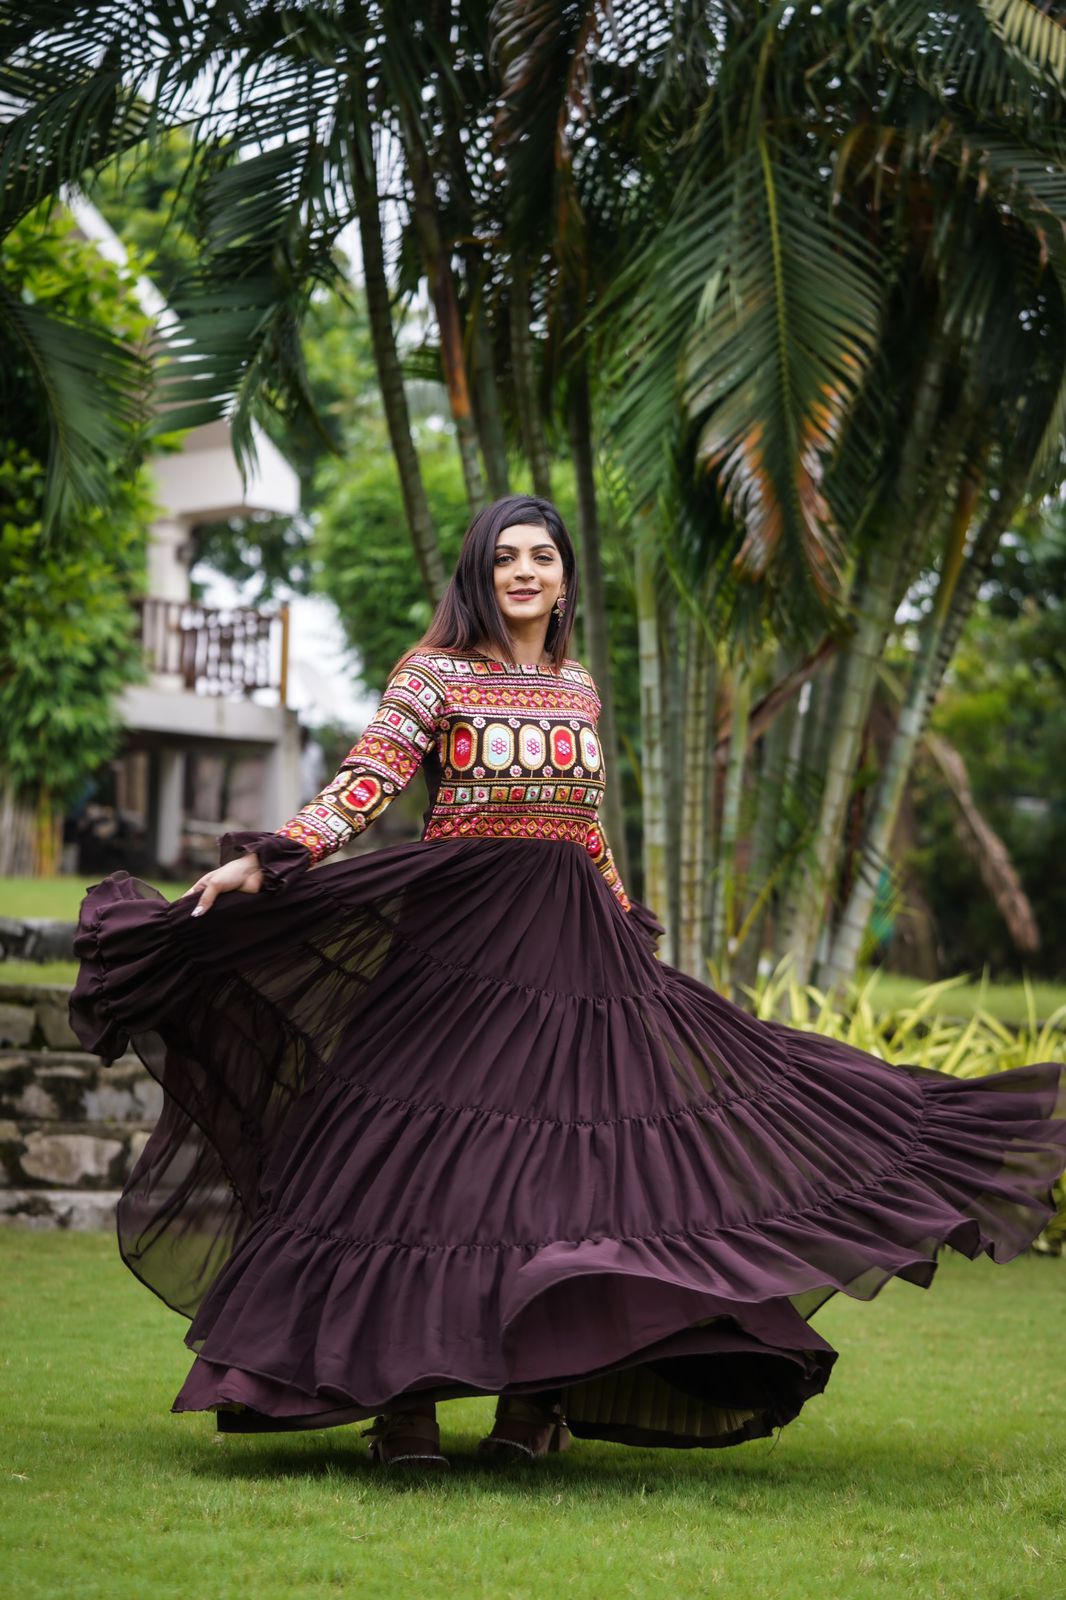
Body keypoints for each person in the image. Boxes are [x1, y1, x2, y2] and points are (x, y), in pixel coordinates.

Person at [70, 494, 1066, 1471]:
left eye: (540, 557)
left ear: (563, 578)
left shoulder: (579, 685)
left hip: (573, 952)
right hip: (456, 949)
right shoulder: (433, 673)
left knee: (567, 1178)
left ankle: (531, 1403)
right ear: (479, 570)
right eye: (505, 556)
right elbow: (367, 778)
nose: (523, 572)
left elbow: (582, 828)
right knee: (423, 1165)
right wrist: (275, 856)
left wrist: (625, 920)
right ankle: (404, 1408)